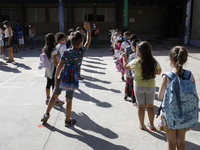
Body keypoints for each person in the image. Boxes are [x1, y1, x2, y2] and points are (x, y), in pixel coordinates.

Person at [41, 22, 91, 127]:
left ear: (70, 42)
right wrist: (88, 30)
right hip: (72, 80)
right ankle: (67, 121)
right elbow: (88, 41)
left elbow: (59, 65)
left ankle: (47, 113)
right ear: (81, 42)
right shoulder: (81, 52)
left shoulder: (66, 52)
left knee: (54, 96)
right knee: (69, 100)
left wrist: (55, 77)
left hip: (62, 77)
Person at [157, 46, 195, 150]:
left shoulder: (167, 76)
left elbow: (160, 97)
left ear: (170, 59)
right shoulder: (189, 75)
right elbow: (193, 94)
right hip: (184, 113)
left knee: (171, 142)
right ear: (185, 59)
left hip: (170, 115)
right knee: (181, 141)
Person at [122, 41, 162, 131]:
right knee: (150, 106)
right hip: (151, 87)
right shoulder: (154, 61)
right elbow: (159, 72)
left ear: (139, 52)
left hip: (138, 86)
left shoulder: (136, 61)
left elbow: (126, 67)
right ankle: (151, 125)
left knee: (140, 106)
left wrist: (124, 58)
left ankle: (142, 125)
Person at [43, 33, 64, 106]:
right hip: (53, 68)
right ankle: (55, 99)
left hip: (47, 67)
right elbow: (55, 62)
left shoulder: (45, 48)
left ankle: (48, 99)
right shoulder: (54, 50)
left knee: (48, 83)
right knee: (54, 84)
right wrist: (59, 69)